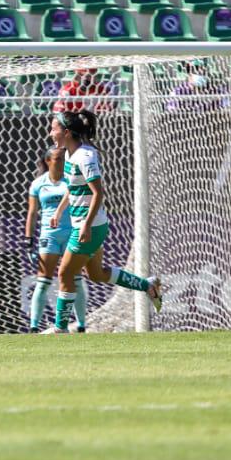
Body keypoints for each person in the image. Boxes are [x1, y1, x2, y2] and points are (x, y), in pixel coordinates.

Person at [44, 109, 162, 334]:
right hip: (86, 224)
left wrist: (86, 225)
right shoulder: (70, 155)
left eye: (53, 129)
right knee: (96, 274)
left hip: (90, 226)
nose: (50, 133)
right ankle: (148, 285)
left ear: (66, 132)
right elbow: (73, 188)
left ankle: (60, 328)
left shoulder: (85, 156)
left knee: (65, 274)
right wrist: (59, 212)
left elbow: (98, 193)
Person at [24, 147, 87, 332]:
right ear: (48, 161)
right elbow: (32, 213)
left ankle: (81, 324)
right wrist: (29, 239)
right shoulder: (38, 184)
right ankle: (34, 326)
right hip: (49, 235)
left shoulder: (71, 180)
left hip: (71, 234)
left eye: (63, 159)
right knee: (43, 280)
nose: (62, 163)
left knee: (75, 278)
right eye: (58, 159)